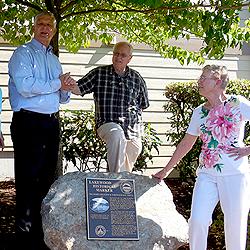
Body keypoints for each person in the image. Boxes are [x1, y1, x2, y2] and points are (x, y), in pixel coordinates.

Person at [152, 65, 250, 250]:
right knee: (197, 220)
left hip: (235, 175)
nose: (200, 81)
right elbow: (186, 144)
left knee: (235, 226)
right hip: (206, 173)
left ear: (218, 82)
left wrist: (248, 150)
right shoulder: (199, 112)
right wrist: (165, 170)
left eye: (205, 78)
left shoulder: (238, 103)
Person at [8, 11, 75, 250]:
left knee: (47, 181)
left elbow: (60, 97)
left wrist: (65, 88)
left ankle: (43, 238)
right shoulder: (22, 54)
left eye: (49, 25)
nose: (45, 28)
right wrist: (58, 83)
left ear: (54, 31)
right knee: (28, 182)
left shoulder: (54, 59)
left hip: (50, 123)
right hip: (29, 123)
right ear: (34, 28)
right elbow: (26, 87)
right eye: (40, 24)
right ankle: (25, 241)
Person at [72, 42, 149, 173]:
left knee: (134, 149)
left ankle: (123, 182)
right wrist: (66, 84)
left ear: (129, 58)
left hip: (131, 128)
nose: (118, 57)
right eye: (116, 54)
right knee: (116, 134)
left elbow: (143, 104)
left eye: (123, 55)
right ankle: (115, 182)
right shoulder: (99, 73)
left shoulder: (137, 78)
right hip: (107, 124)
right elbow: (79, 88)